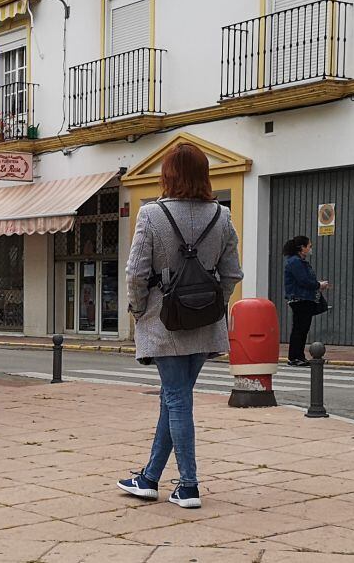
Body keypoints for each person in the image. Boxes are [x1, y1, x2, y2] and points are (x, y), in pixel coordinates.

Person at [118, 143, 242, 510]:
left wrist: (139, 311)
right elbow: (232, 273)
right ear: (204, 175)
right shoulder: (222, 216)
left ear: (168, 175)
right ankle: (149, 478)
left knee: (176, 399)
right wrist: (208, 302)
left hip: (163, 321)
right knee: (174, 398)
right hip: (204, 323)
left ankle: (188, 485)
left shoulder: (151, 215)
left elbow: (136, 274)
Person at [283, 236, 330, 367]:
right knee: (300, 328)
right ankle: (295, 357)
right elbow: (303, 281)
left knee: (302, 328)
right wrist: (318, 285)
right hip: (300, 299)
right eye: (309, 246)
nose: (310, 249)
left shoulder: (298, 261)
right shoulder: (295, 262)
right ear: (302, 248)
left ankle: (298, 356)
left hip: (303, 298)